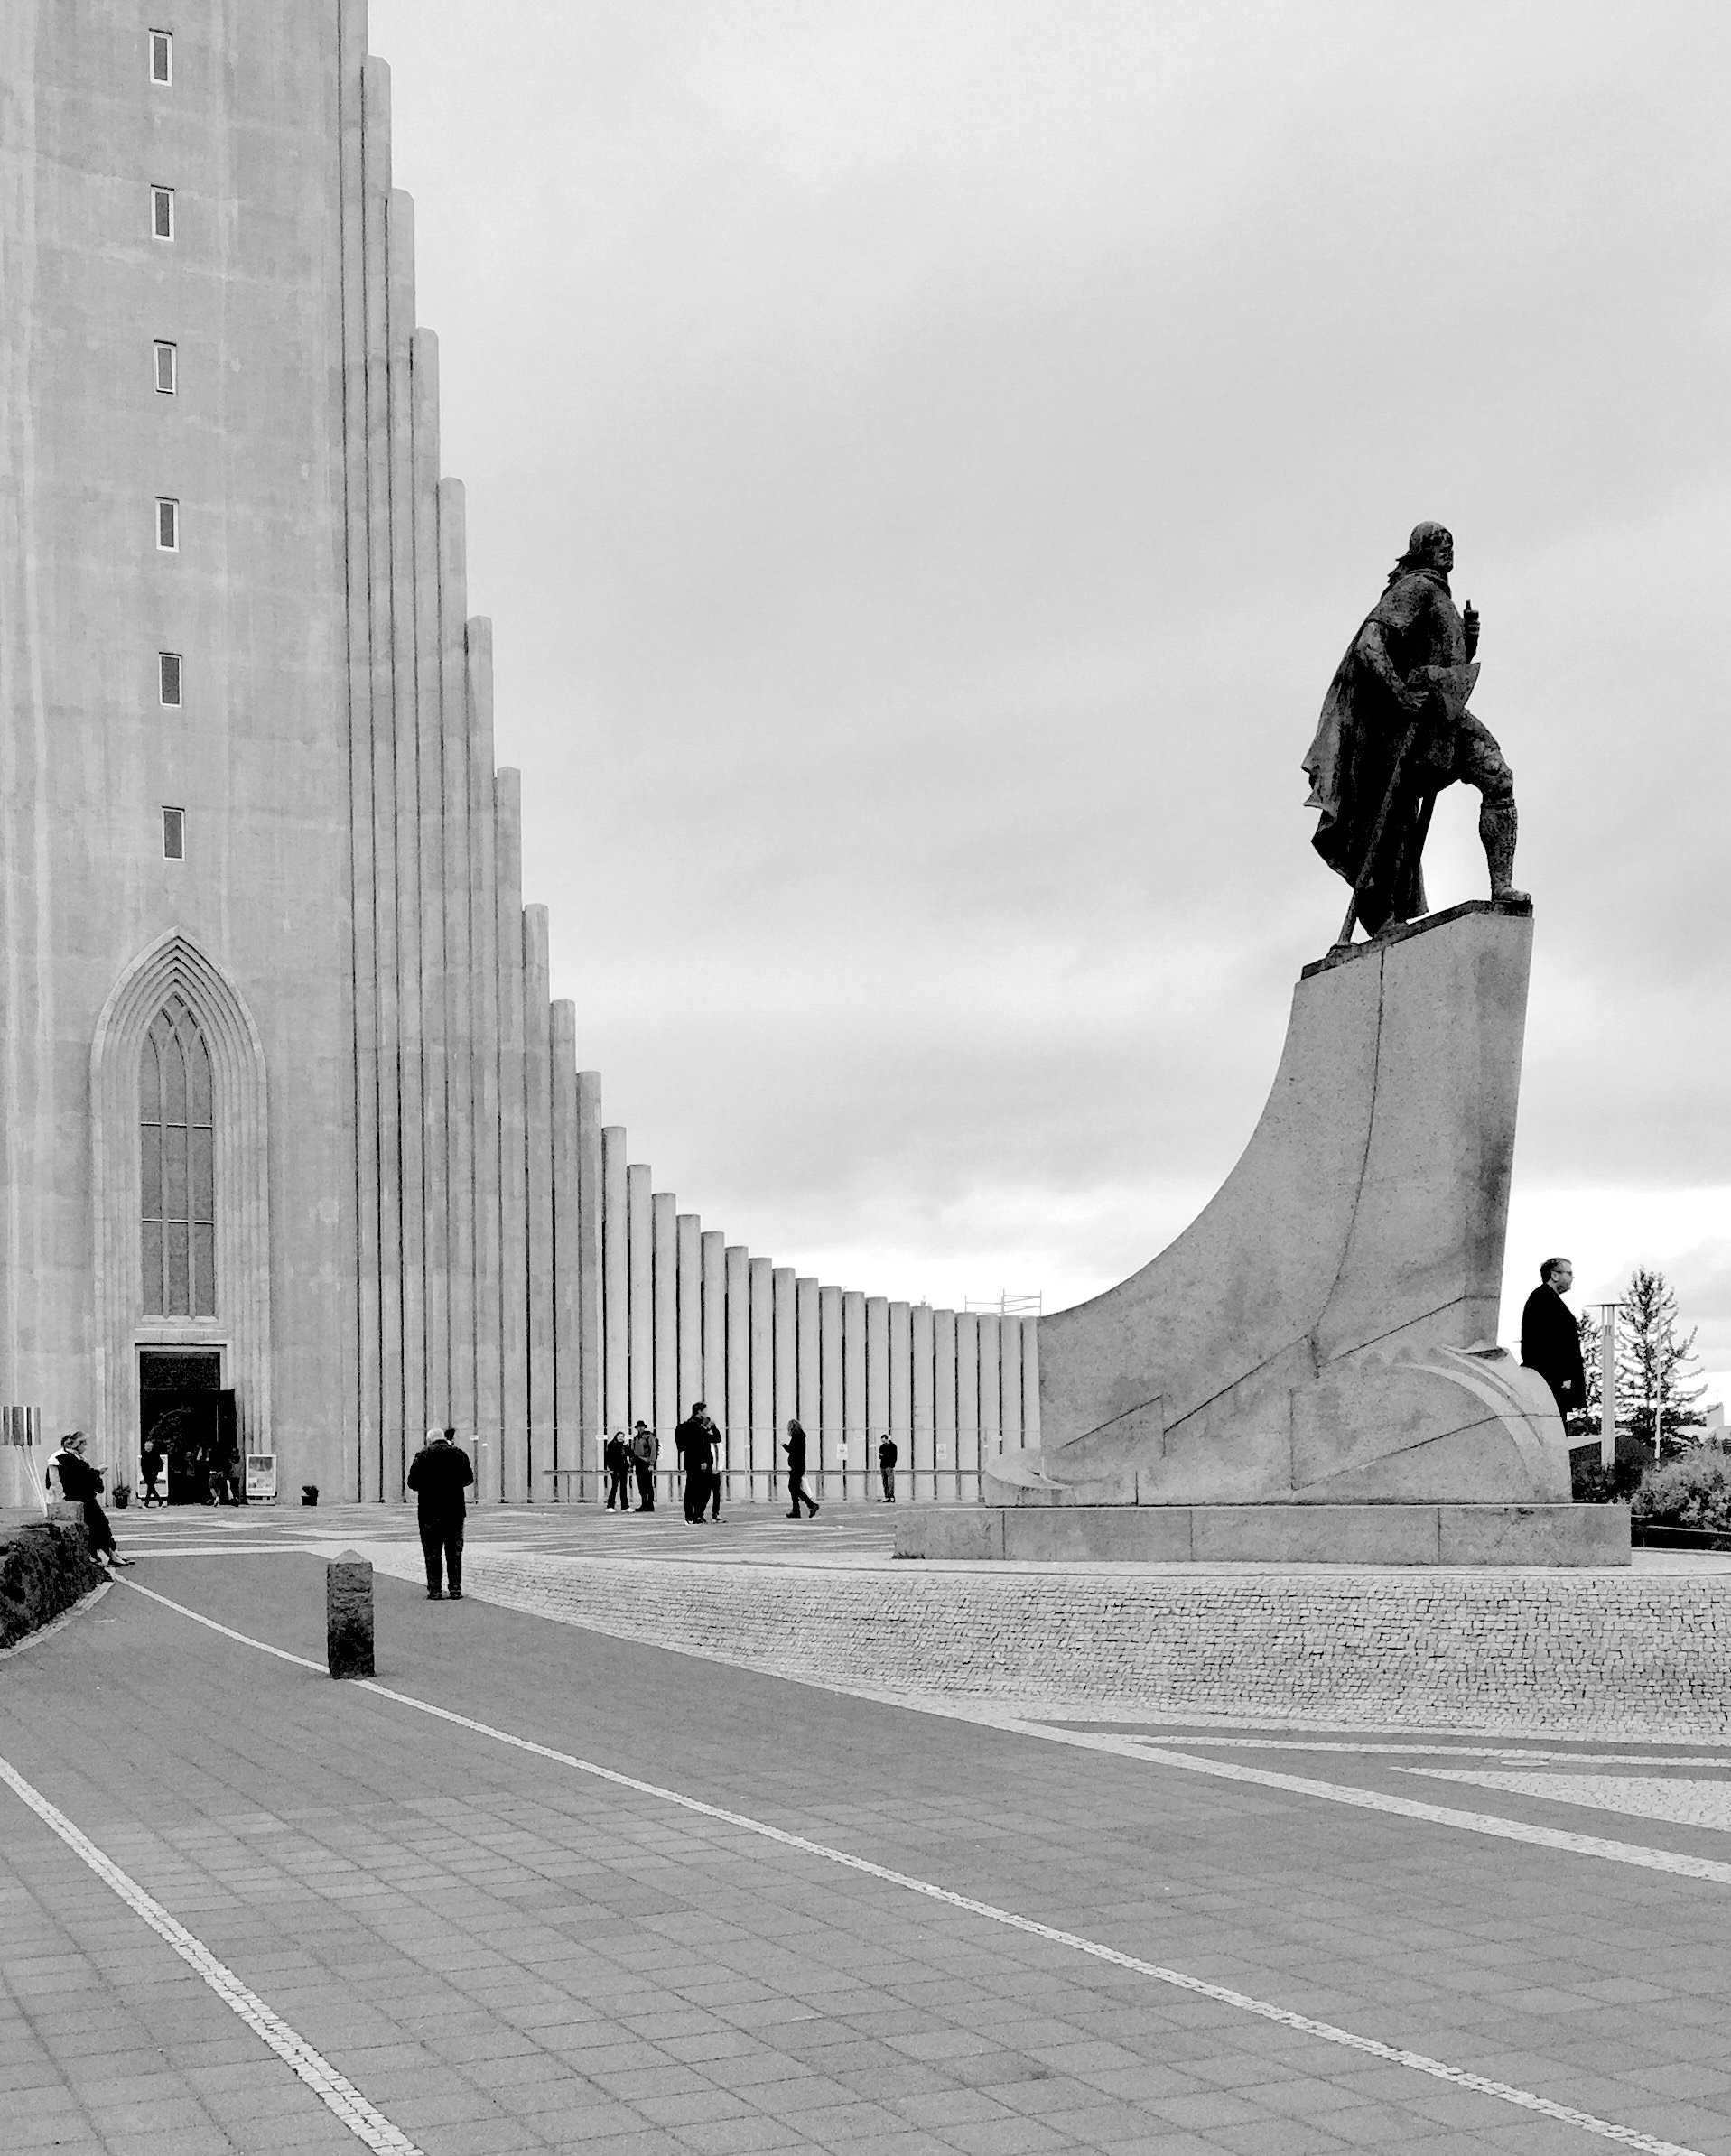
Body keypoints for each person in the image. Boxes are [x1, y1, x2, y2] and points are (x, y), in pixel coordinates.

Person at [1302, 522, 1527, 936]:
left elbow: (1445, 659)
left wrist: (1469, 639)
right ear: (1418, 551)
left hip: (1443, 714)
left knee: (1498, 777)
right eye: (1436, 543)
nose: (1446, 549)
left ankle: (1502, 886)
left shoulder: (1440, 597)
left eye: (1450, 542)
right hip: (1407, 720)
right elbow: (1370, 644)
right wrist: (1400, 694)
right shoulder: (1415, 589)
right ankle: (1381, 918)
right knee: (1390, 824)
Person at [406, 1426, 473, 1599]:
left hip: (430, 1511)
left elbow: (412, 1483)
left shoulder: (422, 1456)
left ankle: (435, 1590)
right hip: (454, 1511)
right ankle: (455, 1589)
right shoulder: (458, 1454)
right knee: (454, 1552)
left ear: (429, 1440)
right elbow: (468, 1478)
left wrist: (429, 1485)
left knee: (432, 1552)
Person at [48, 1431, 130, 1567]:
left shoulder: (76, 1457)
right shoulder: (61, 1458)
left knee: (99, 1524)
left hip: (86, 1496)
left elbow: (84, 1474)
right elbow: (76, 1477)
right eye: (83, 1444)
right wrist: (97, 1472)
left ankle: (107, 1552)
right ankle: (108, 1553)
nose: (86, 1447)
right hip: (76, 1498)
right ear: (75, 1444)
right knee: (97, 1524)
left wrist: (96, 1474)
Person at [1521, 1257, 1587, 1424]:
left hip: (1552, 1381)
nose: (1572, 1278)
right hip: (1551, 1382)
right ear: (1555, 1275)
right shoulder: (1543, 1299)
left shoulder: (1547, 1299)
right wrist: (1562, 1376)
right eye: (1569, 1273)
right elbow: (1547, 1342)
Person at [675, 1402, 719, 1523]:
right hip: (695, 1462)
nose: (707, 1413)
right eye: (705, 1410)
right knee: (692, 1490)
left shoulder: (701, 1425)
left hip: (703, 1462)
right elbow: (697, 1445)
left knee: (704, 1490)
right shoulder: (692, 1425)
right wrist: (702, 1460)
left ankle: (698, 1515)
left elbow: (716, 1438)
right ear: (699, 1411)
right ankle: (690, 1517)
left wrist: (712, 1426)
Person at [783, 1417, 819, 1519]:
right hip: (798, 1466)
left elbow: (793, 1451)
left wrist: (784, 1445)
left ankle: (811, 1505)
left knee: (793, 1488)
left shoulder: (796, 1438)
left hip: (796, 1466)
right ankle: (796, 1511)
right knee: (794, 1488)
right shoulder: (800, 1437)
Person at [629, 1420, 658, 1511]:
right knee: (641, 1485)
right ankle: (644, 1504)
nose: (640, 1428)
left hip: (646, 1462)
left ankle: (650, 1505)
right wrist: (631, 1464)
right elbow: (634, 1452)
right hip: (638, 1462)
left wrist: (651, 1463)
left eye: (642, 1426)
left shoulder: (649, 1437)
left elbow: (653, 1450)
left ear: (644, 1427)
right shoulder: (636, 1438)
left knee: (648, 1485)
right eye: (639, 1427)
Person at [603, 1429, 632, 1511]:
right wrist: (611, 1468)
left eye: (622, 1437)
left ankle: (625, 1506)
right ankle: (610, 1506)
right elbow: (608, 1458)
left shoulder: (623, 1446)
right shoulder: (611, 1445)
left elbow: (631, 1453)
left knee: (623, 1487)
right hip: (615, 1469)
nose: (621, 1438)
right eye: (619, 1436)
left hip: (623, 1469)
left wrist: (626, 1446)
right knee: (614, 1487)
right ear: (616, 1437)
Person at [139, 1438, 165, 1508]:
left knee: (150, 1487)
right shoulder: (143, 1454)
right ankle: (159, 1501)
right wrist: (143, 1473)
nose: (146, 1447)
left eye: (148, 1446)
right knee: (151, 1488)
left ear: (151, 1447)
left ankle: (146, 1504)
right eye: (146, 1446)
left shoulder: (155, 1454)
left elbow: (159, 1464)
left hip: (153, 1473)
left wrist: (155, 1471)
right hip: (146, 1473)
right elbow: (143, 1464)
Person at [878, 1433, 898, 1503]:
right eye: (882, 1441)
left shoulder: (893, 1446)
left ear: (886, 1439)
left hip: (889, 1466)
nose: (883, 1442)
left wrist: (891, 1465)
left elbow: (894, 1457)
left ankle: (891, 1496)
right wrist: (884, 1456)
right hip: (883, 1466)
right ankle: (887, 1496)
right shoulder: (882, 1447)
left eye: (884, 1441)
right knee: (885, 1482)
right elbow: (880, 1456)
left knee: (890, 1482)